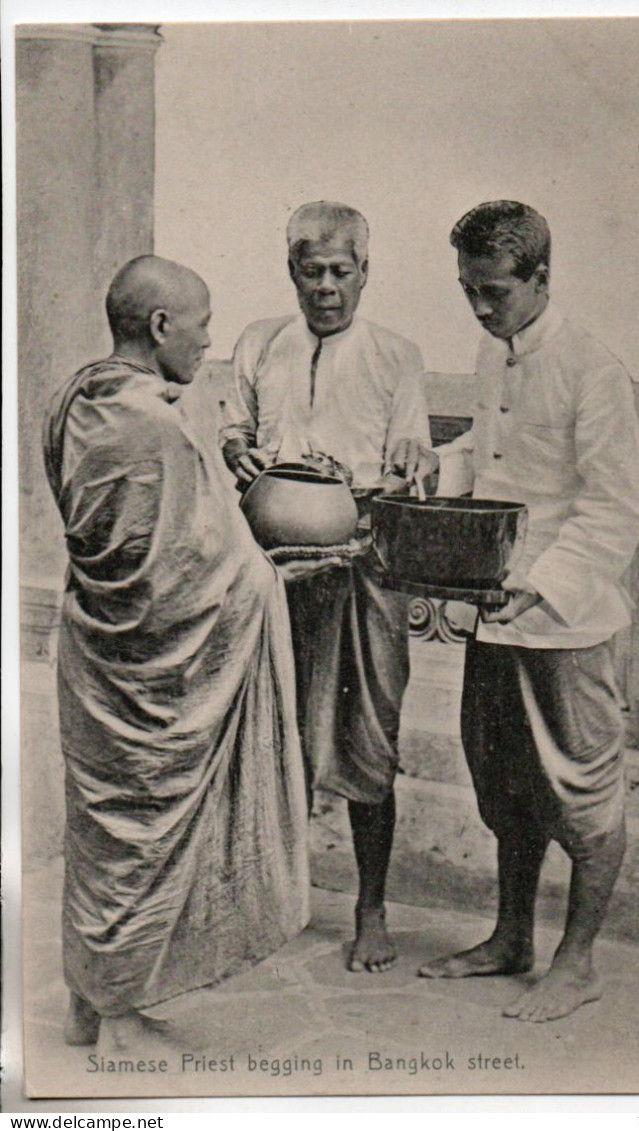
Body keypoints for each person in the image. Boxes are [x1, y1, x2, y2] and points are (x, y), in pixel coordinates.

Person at [44, 255, 338, 1049]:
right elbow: (188, 577)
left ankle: (91, 996)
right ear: (162, 326)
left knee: (107, 834)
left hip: (94, 655)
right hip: (152, 671)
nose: (208, 342)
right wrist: (273, 578)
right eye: (202, 326)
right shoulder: (159, 428)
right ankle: (116, 1015)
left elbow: (131, 552)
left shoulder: (77, 399)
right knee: (147, 834)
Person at [417, 201, 639, 1022]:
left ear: (542, 278)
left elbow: (617, 509)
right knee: (505, 787)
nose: (479, 308)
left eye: (494, 292)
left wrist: (544, 582)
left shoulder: (592, 369)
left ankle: (576, 961)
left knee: (583, 796)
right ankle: (510, 936)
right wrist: (432, 468)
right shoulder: (494, 352)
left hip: (568, 625)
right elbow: (488, 459)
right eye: (468, 291)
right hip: (495, 614)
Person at [219, 202, 433, 972]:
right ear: (292, 273)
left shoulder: (395, 355)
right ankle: (257, 899)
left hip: (359, 567)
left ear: (365, 273)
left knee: (367, 738)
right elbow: (236, 432)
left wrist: (407, 455)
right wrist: (238, 449)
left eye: (342, 272)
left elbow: (410, 442)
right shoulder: (258, 344)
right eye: (312, 272)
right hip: (270, 567)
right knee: (258, 730)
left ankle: (370, 909)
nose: (326, 288)